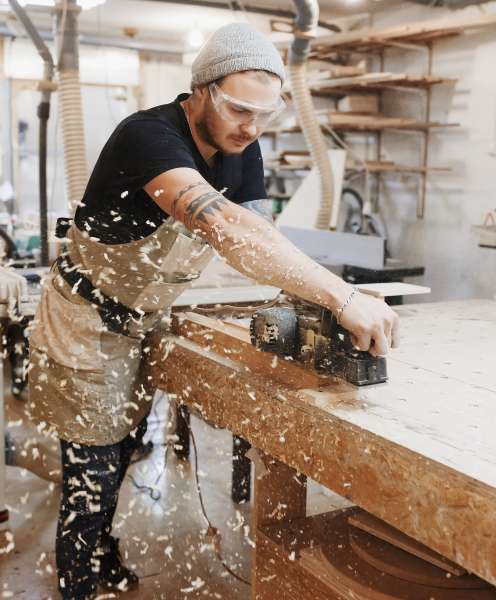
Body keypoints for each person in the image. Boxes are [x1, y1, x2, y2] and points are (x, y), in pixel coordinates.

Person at [26, 22, 400, 600]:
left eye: (264, 117)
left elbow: (258, 235)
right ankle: (78, 580)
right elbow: (224, 227)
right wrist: (343, 297)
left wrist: (311, 300)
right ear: (199, 90)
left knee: (125, 447)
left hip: (144, 317)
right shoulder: (147, 136)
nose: (251, 130)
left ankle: (102, 552)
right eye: (238, 111)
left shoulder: (240, 147)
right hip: (86, 319)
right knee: (91, 469)